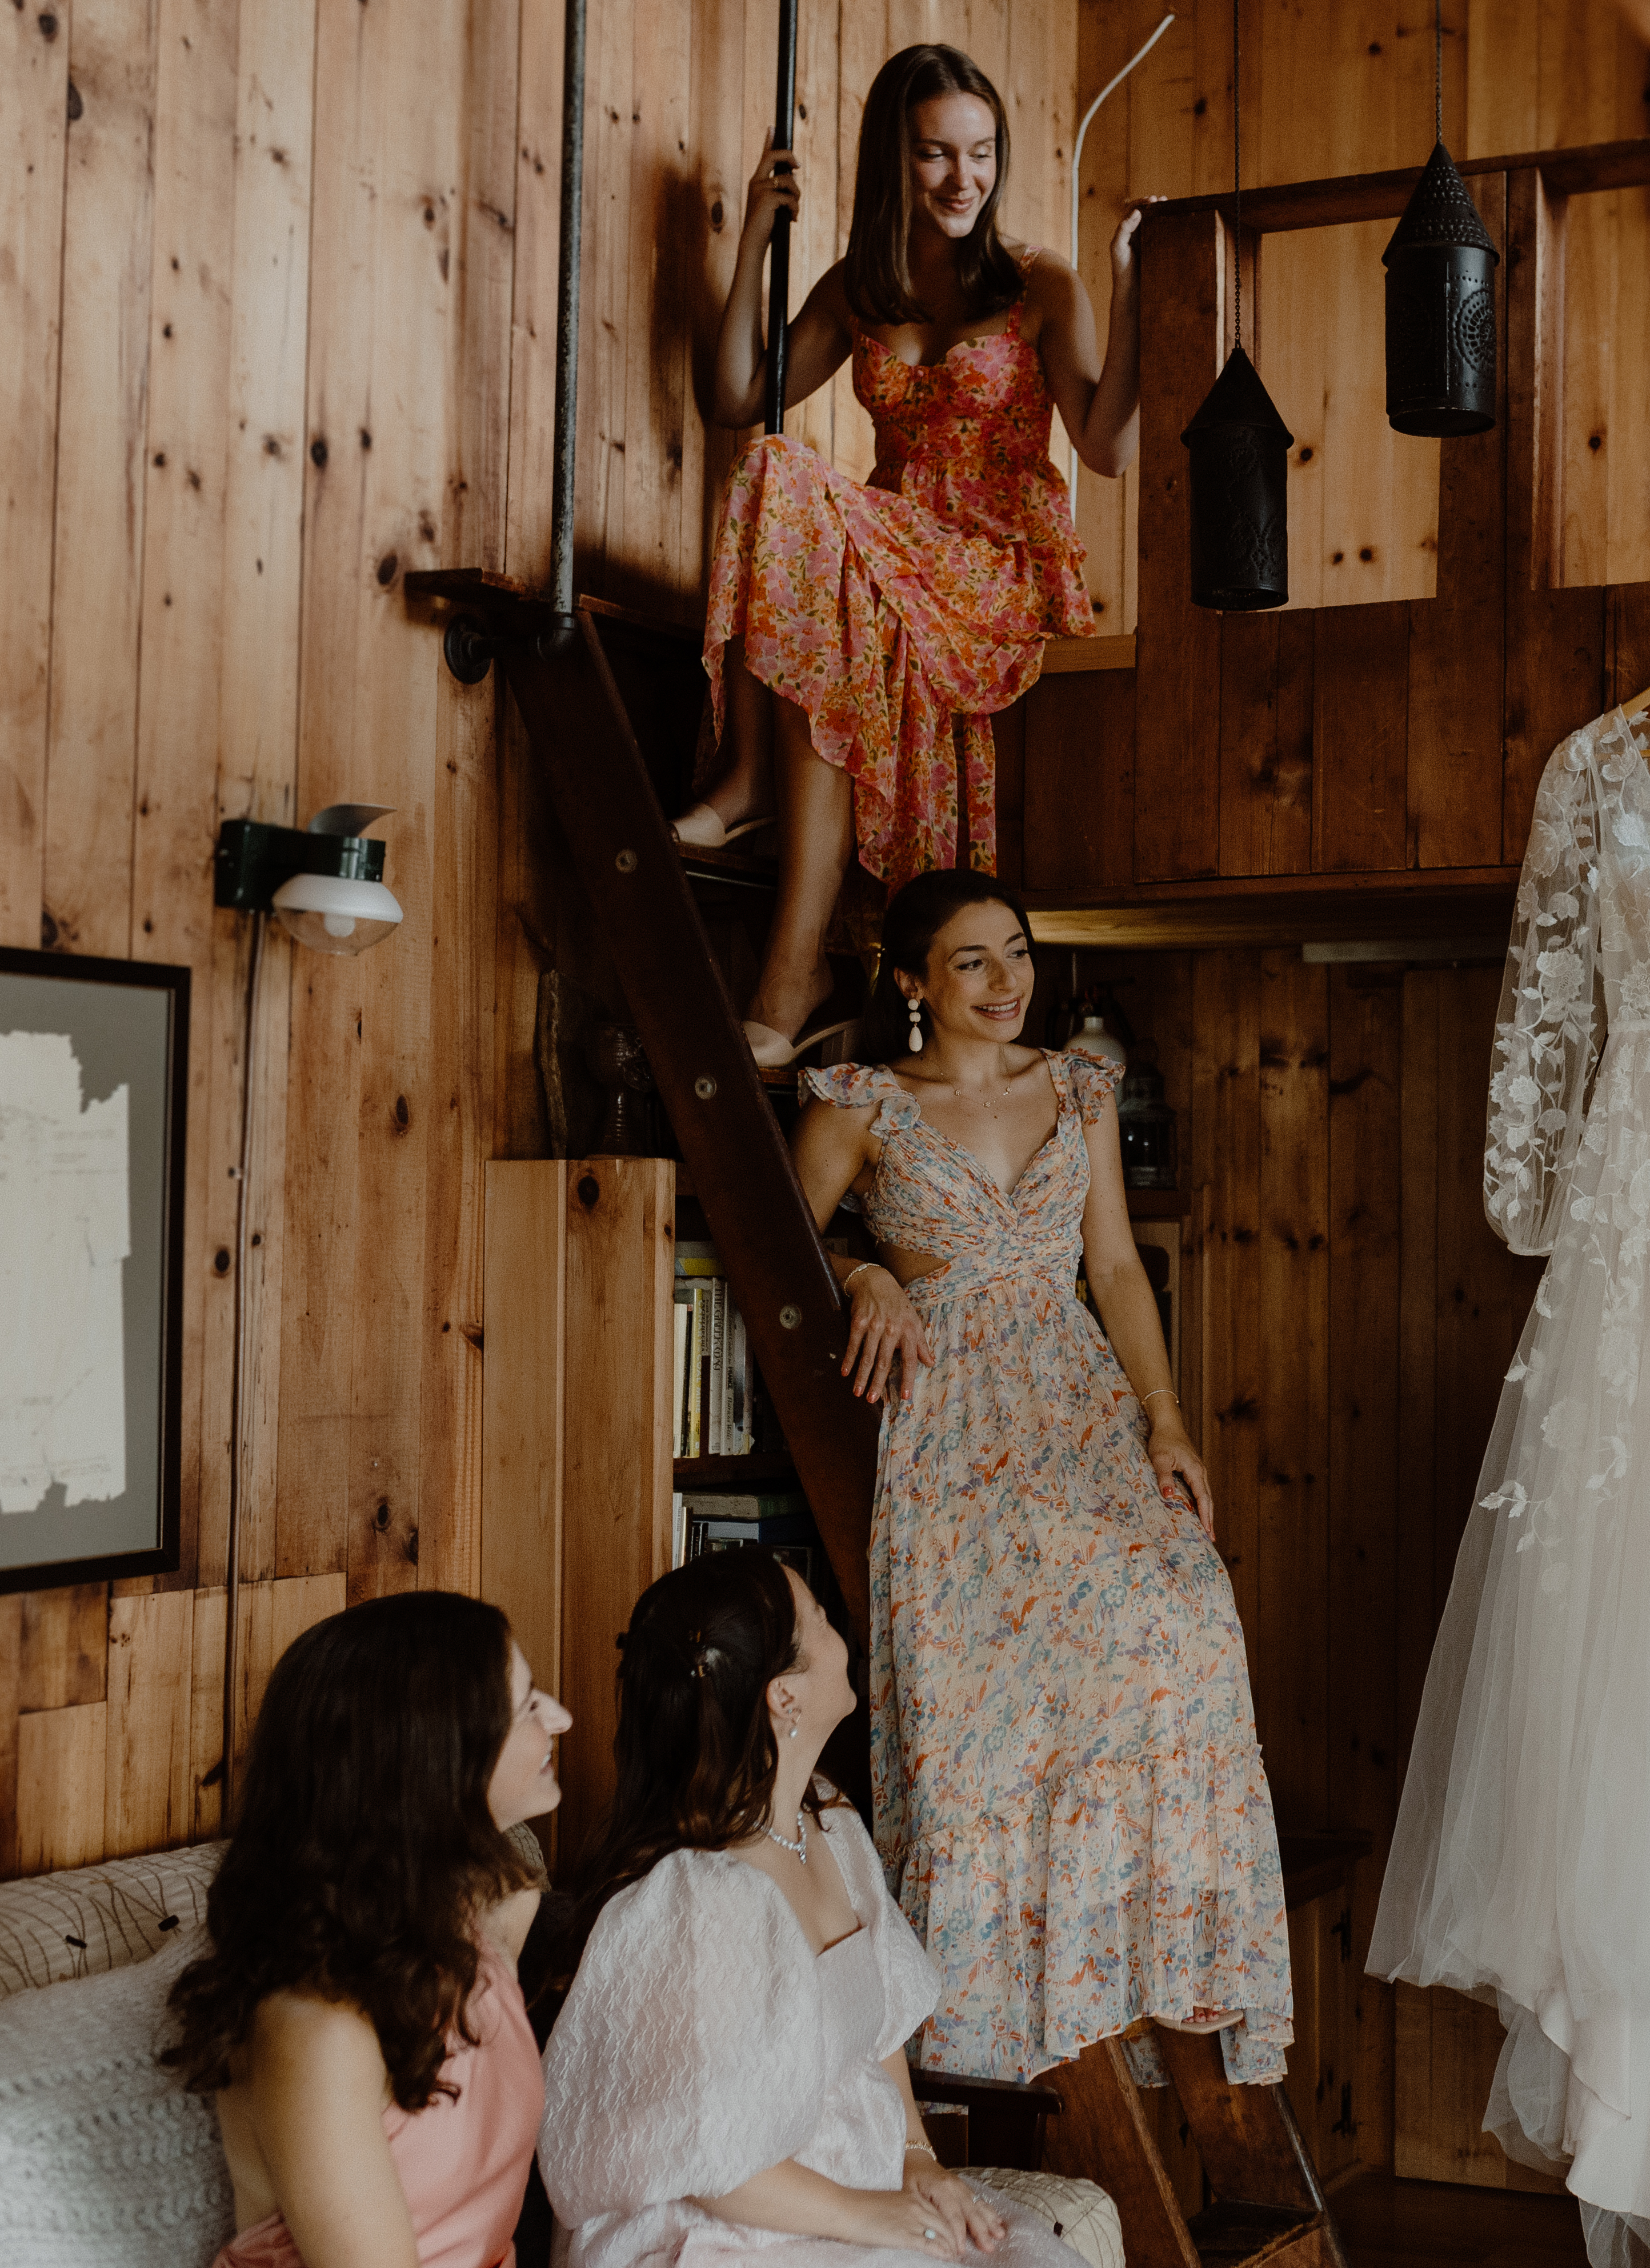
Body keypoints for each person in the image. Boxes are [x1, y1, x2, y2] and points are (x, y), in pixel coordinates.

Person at [790, 867, 1291, 2083]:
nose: (1008, 981)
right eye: (972, 960)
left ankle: (1150, 1955)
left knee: (1187, 1625)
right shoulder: (861, 1102)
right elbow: (780, 1243)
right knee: (982, 1719)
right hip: (950, 1421)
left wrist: (1165, 1419)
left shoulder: (1077, 1084)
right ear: (912, 983)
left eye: (1016, 953)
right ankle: (986, 2012)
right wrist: (864, 1272)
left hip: (1078, 1401)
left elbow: (1114, 1266)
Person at [694, 43, 1147, 1065]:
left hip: (992, 562)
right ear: (892, 161)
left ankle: (755, 809)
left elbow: (1109, 449)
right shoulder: (862, 290)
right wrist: (754, 243)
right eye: (937, 155)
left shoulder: (1037, 284)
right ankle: (781, 908)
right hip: (887, 560)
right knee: (773, 465)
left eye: (981, 154)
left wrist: (1134, 301)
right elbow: (730, 399)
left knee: (793, 485)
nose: (963, 180)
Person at [536, 1554, 1086, 2267]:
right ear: (783, 1697)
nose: (843, 1632)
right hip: (738, 2222)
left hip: (861, 2183)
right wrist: (873, 2218)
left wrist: (918, 2164)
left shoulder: (832, 1829)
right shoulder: (697, 1901)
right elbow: (706, 2156)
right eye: (821, 1620)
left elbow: (878, 2026)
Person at [165, 1592, 572, 2268]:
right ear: (433, 1761)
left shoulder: (486, 1919)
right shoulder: (316, 2027)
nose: (560, 1717)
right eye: (528, 1705)